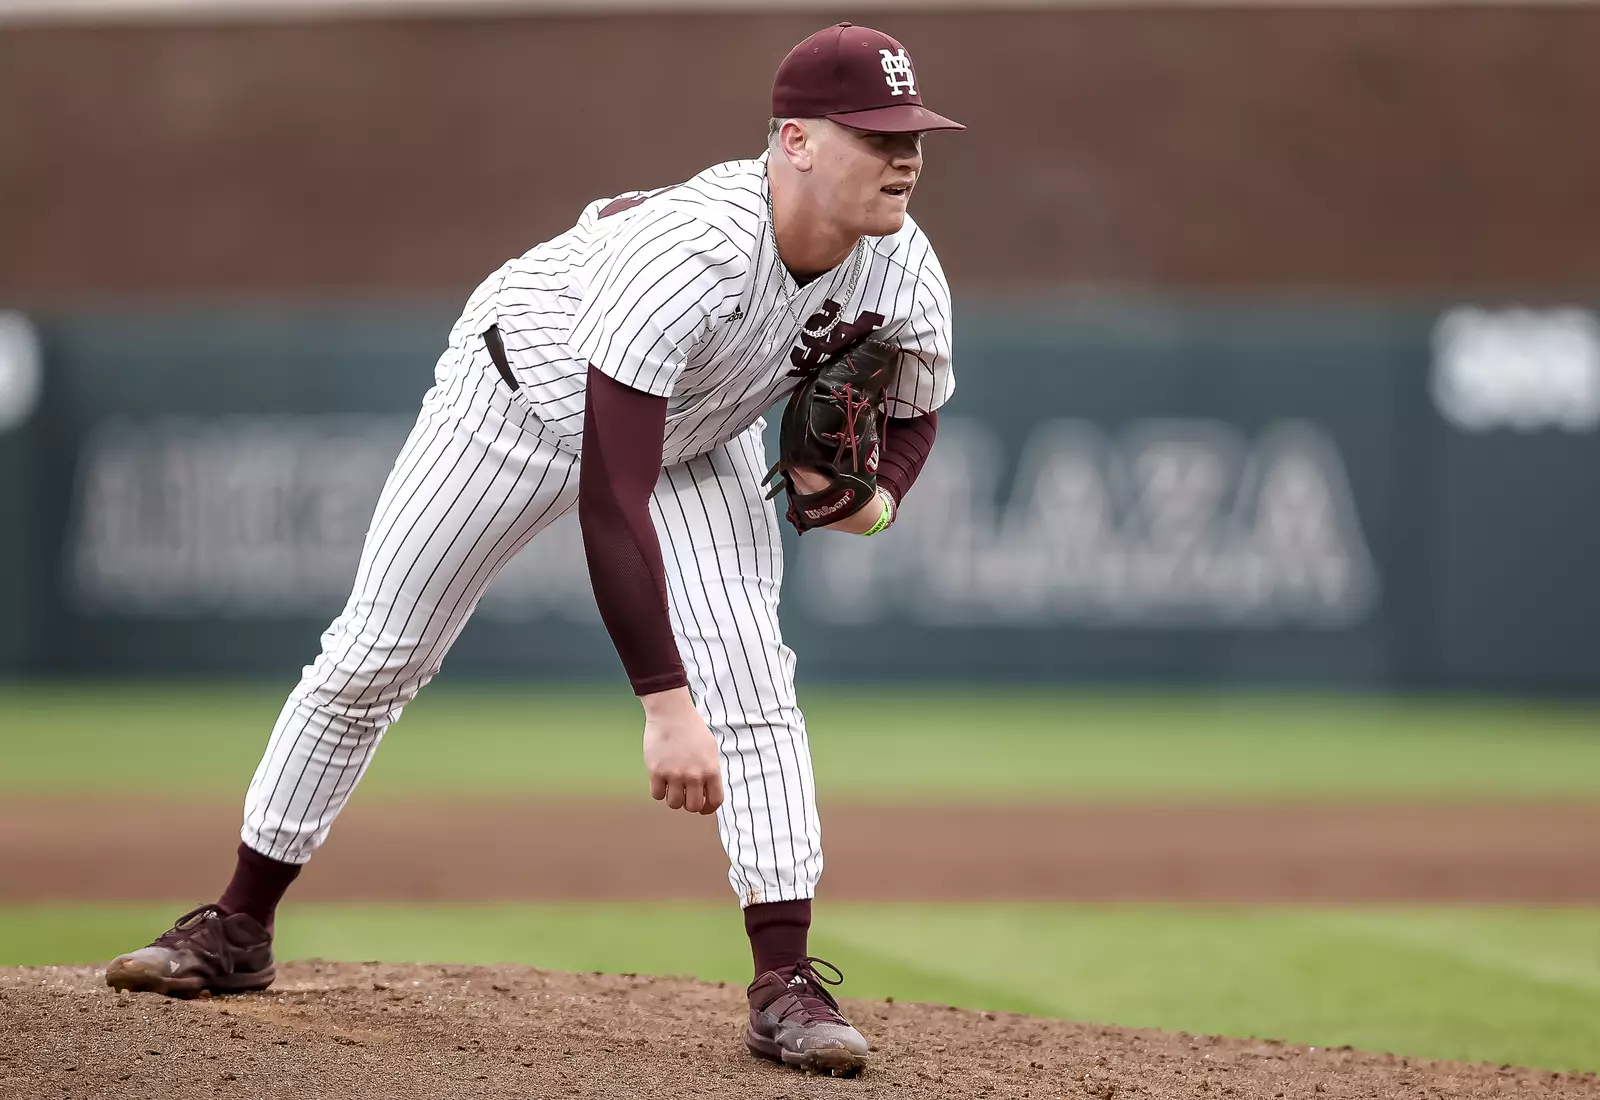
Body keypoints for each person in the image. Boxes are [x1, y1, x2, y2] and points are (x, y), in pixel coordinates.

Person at [104, 21, 961, 1078]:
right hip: (516, 400)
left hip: (700, 431)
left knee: (754, 680)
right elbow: (612, 492)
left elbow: (915, 409)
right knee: (376, 655)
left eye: (913, 131)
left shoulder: (905, 264)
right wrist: (660, 702)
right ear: (792, 142)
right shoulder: (692, 250)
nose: (907, 154)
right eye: (876, 135)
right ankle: (237, 923)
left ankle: (785, 979)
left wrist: (875, 501)